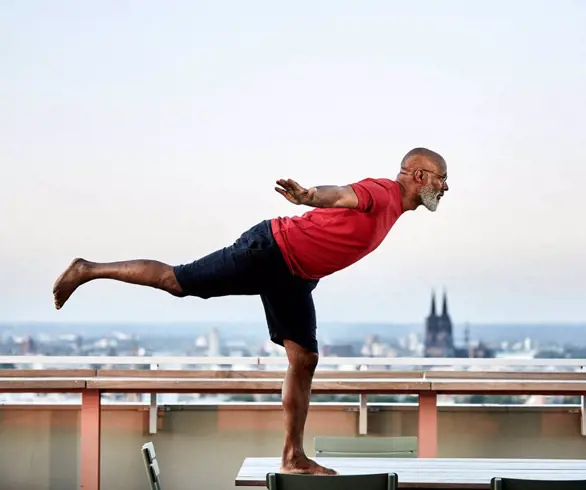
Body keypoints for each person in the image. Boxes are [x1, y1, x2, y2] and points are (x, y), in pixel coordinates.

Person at [52, 146, 448, 475]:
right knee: (178, 281)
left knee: (305, 358)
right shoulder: (383, 193)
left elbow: (338, 223)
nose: (445, 187)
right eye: (440, 178)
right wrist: (310, 196)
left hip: (293, 274)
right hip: (271, 252)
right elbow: (343, 193)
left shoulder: (394, 209)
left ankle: (293, 457)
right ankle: (87, 269)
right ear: (418, 176)